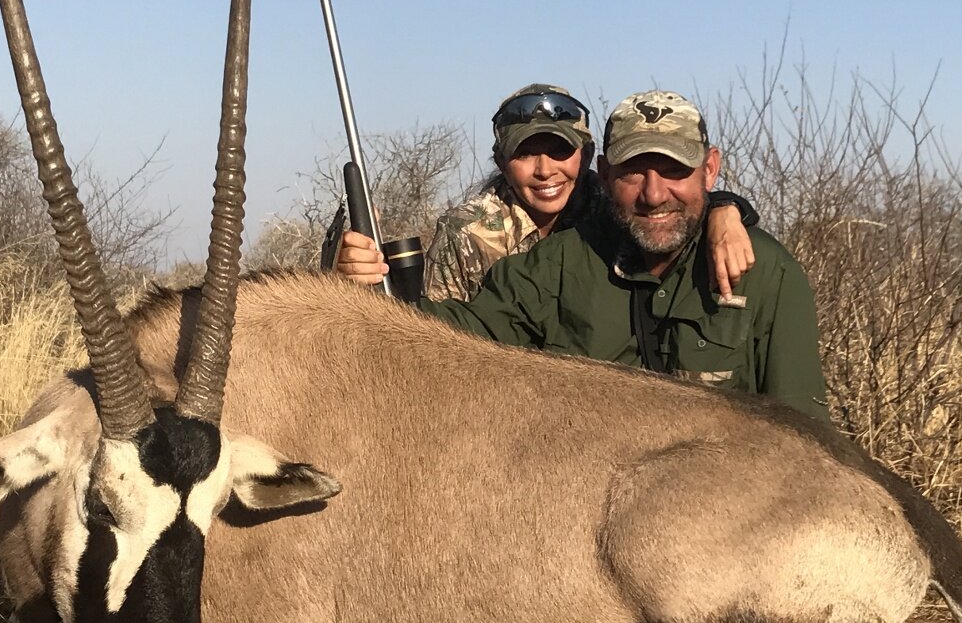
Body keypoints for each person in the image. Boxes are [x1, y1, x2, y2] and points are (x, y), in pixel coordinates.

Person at [336, 89, 830, 421]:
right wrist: (360, 293)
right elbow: (443, 338)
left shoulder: (768, 272)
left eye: (674, 170)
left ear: (711, 168)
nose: (654, 194)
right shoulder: (552, 264)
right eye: (634, 172)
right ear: (606, 173)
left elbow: (807, 439)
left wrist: (727, 210)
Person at [417, 84, 758, 302]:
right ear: (501, 163)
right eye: (524, 154)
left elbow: (669, 206)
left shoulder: (607, 202)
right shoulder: (463, 233)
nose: (545, 170)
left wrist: (725, 209)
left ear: (586, 155)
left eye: (560, 150)